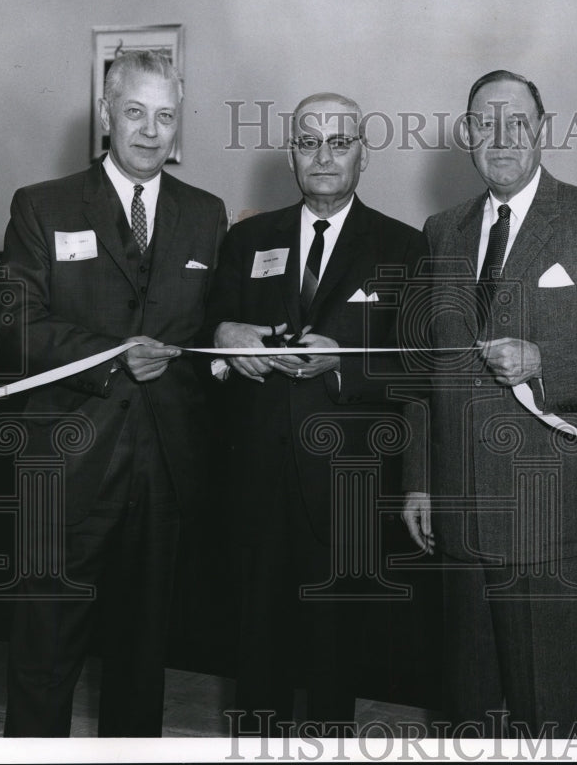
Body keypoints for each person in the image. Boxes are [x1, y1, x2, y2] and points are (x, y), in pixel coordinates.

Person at [401, 69, 577, 737]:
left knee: (550, 710)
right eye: (486, 123)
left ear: (542, 131)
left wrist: (546, 361)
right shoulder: (441, 230)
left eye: (517, 122)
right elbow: (426, 370)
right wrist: (419, 484)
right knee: (470, 711)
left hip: (551, 516)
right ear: (467, 136)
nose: (502, 137)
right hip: (459, 514)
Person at [1, 50, 228, 736]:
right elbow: (15, 328)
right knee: (44, 661)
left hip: (163, 476)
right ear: (106, 113)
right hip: (66, 470)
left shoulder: (206, 214)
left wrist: (227, 351)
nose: (151, 130)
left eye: (165, 115)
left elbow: (202, 334)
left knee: (141, 663)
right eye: (135, 112)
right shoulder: (42, 205)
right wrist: (111, 357)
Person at [204, 93, 427, 733]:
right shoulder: (248, 238)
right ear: (292, 154)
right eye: (309, 141)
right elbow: (205, 338)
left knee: (334, 666)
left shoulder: (404, 247)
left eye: (339, 141)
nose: (323, 156)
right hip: (255, 485)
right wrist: (224, 341)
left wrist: (345, 364)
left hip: (348, 490)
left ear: (363, 152)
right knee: (256, 663)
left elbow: (422, 366)